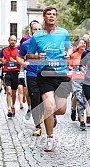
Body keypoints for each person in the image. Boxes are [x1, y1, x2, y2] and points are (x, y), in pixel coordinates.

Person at [27, 6, 73, 152]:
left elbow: (69, 48)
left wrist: (68, 54)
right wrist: (37, 57)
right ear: (44, 17)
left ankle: (51, 117)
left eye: (54, 14)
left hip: (61, 74)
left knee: (60, 110)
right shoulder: (37, 36)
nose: (52, 16)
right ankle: (50, 138)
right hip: (45, 74)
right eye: (49, 14)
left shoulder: (63, 33)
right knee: (48, 106)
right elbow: (29, 54)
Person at [16, 22, 43, 136]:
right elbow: (19, 57)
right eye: (35, 29)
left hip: (45, 74)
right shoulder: (26, 44)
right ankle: (37, 125)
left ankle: (50, 116)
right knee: (35, 99)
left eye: (39, 29)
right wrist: (23, 63)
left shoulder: (46, 43)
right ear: (31, 31)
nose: (37, 31)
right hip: (31, 74)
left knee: (46, 98)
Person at [0, 35, 20, 117]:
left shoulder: (18, 50)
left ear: (16, 42)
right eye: (11, 40)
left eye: (14, 40)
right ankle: (8, 109)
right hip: (7, 71)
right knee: (8, 90)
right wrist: (2, 61)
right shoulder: (4, 50)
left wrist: (14, 61)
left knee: (14, 92)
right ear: (8, 40)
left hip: (15, 72)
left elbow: (22, 60)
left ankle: (13, 106)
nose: (13, 42)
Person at [70, 38, 88, 131]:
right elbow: (69, 66)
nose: (83, 44)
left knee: (84, 99)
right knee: (79, 97)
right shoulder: (73, 55)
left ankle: (75, 110)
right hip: (76, 79)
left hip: (87, 79)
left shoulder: (89, 54)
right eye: (81, 43)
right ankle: (82, 121)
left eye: (84, 43)